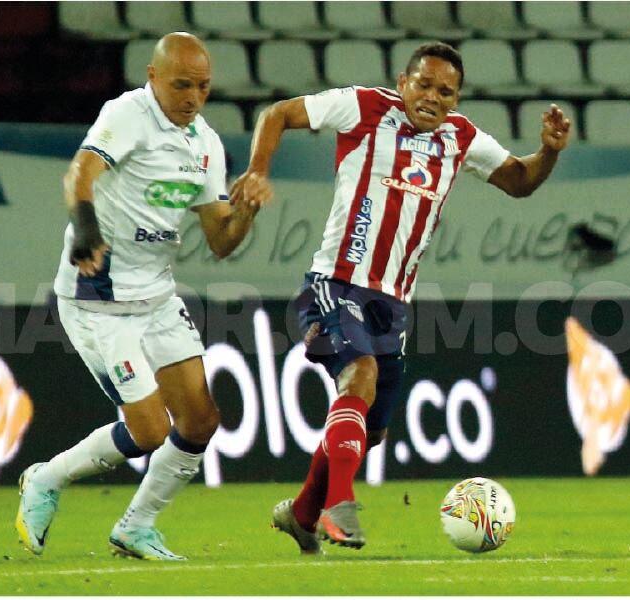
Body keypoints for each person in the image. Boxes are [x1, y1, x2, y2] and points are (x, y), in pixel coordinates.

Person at [230, 42, 571, 553]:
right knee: (359, 375)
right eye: (425, 85)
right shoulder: (364, 107)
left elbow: (520, 181)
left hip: (392, 304)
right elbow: (277, 113)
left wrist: (548, 152)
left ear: (456, 100)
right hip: (334, 282)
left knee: (371, 429)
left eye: (446, 92)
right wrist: (257, 170)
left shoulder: (461, 138)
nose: (433, 98)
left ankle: (302, 512)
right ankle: (338, 507)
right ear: (403, 81)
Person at [15, 32, 271, 561]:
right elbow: (80, 172)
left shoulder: (206, 146)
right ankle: (46, 478)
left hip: (155, 297)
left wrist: (245, 209)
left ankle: (137, 526)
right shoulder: (128, 114)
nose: (193, 97)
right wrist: (85, 226)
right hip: (98, 300)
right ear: (153, 78)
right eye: (182, 85)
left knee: (200, 421)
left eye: (202, 87)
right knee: (151, 429)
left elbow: (221, 241)